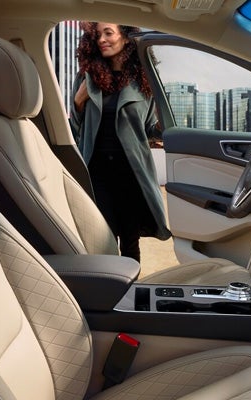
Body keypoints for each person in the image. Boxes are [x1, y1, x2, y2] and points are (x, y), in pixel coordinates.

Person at [69, 21, 171, 263]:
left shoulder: (143, 81)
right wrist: (78, 102)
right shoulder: (86, 78)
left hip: (130, 173)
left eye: (109, 33)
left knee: (130, 240)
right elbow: (74, 131)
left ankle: (130, 293)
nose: (102, 39)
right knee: (102, 239)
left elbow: (148, 129)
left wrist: (166, 129)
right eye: (98, 35)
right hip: (96, 172)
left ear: (126, 38)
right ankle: (107, 292)